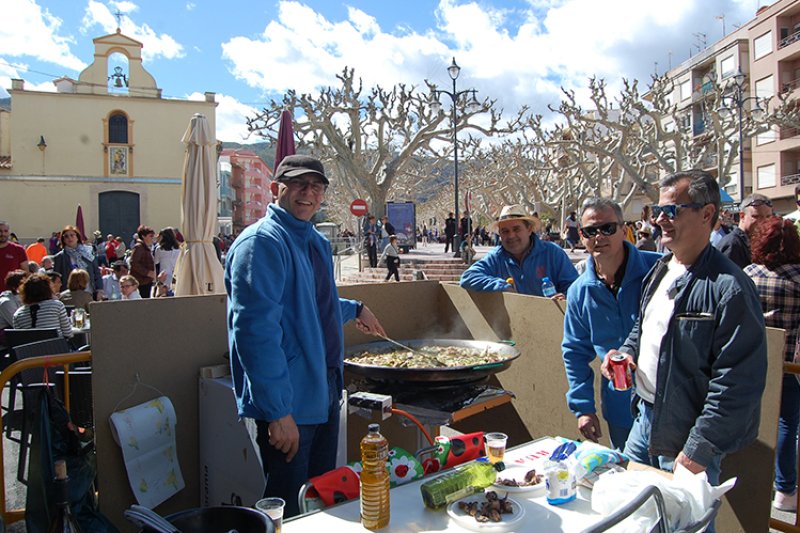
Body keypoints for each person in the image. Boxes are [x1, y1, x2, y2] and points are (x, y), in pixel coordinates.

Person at [224, 154, 386, 518]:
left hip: (324, 389)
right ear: (276, 188)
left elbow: (311, 304)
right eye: (298, 183)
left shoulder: (313, 240)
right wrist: (278, 412)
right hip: (289, 401)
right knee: (289, 507)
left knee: (319, 499)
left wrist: (355, 308)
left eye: (316, 186)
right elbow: (255, 332)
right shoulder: (262, 243)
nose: (308, 193)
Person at [600, 170, 767, 523]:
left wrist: (698, 449)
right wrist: (626, 352)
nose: (659, 219)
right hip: (644, 422)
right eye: (657, 210)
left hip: (686, 438)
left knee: (684, 526)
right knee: (633, 521)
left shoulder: (731, 288)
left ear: (707, 214)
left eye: (671, 211)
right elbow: (643, 327)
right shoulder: (661, 269)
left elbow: (737, 383)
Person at [562, 198, 661, 450]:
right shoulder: (579, 292)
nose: (599, 237)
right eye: (590, 231)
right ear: (581, 236)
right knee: (629, 473)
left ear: (623, 229)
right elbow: (575, 352)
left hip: (669, 406)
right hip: (620, 409)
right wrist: (583, 409)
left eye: (607, 228)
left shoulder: (659, 269)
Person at [743, 217, 800, 512]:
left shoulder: (748, 274)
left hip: (748, 360)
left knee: (750, 421)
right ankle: (785, 489)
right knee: (787, 423)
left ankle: (751, 485)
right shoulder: (797, 277)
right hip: (787, 363)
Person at [460, 204, 578, 298]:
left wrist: (564, 296)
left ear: (529, 229)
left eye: (516, 229)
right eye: (505, 231)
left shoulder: (552, 253)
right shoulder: (496, 257)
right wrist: (502, 286)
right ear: (500, 234)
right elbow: (468, 277)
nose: (511, 235)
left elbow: (574, 287)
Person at [717, 193, 774, 268]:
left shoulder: (760, 241)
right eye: (756, 216)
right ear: (742, 216)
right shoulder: (732, 245)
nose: (763, 221)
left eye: (768, 217)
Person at [12, 273, 73, 339]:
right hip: (55, 345)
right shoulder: (57, 306)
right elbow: (68, 333)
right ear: (48, 289)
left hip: (31, 345)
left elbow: (19, 340)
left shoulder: (17, 314)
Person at [52, 225, 104, 301]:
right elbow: (56, 278)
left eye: (72, 235)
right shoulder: (60, 257)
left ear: (77, 237)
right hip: (69, 296)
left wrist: (100, 289)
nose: (69, 238)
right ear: (63, 240)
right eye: (66, 236)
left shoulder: (88, 252)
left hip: (90, 292)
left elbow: (96, 272)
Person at [0, 270, 28, 350]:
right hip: (7, 336)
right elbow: (16, 324)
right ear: (14, 286)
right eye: (23, 283)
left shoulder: (24, 297)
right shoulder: (6, 302)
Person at [0, 221, 29, 293]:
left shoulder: (18, 250)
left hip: (12, 295)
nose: (2, 234)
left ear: (9, 233)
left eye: (5, 231)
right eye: (0, 231)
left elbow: (26, 273)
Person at [130, 225, 156, 299]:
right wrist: (147, 272)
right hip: (141, 282)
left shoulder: (144, 247)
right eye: (150, 236)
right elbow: (134, 263)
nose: (152, 238)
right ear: (143, 236)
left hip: (145, 281)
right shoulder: (139, 247)